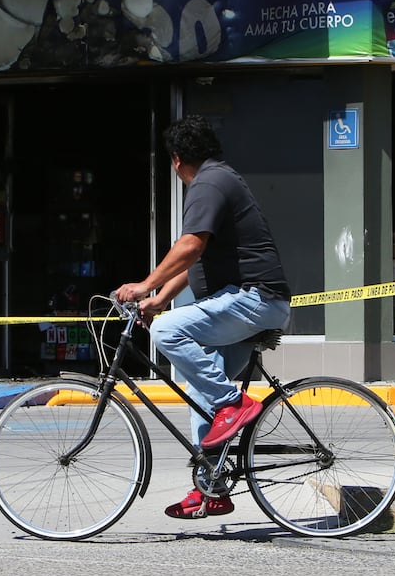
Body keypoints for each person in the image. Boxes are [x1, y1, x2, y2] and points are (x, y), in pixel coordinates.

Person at [116, 114, 291, 519]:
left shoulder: (208, 184)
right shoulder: (219, 178)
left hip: (253, 299)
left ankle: (234, 404)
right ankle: (210, 484)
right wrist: (158, 297)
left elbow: (190, 247)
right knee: (201, 386)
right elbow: (194, 264)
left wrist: (144, 286)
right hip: (249, 302)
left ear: (177, 159)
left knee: (168, 331)